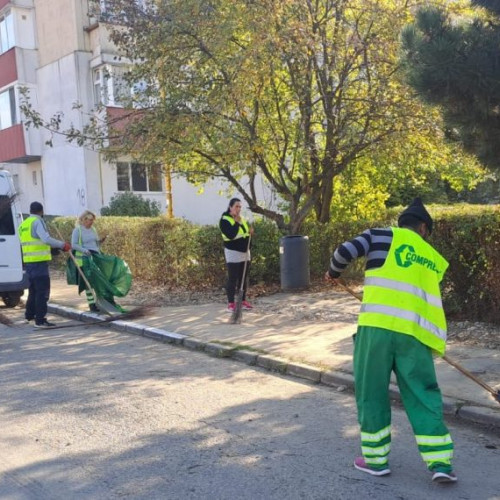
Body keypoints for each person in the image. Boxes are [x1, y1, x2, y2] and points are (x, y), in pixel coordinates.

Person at [325, 198, 457, 484]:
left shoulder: (380, 236)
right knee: (423, 395)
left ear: (403, 223)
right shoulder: (433, 257)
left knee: (371, 392)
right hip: (414, 335)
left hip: (377, 330)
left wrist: (333, 272)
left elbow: (343, 252)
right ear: (423, 228)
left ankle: (375, 460)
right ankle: (441, 463)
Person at [18, 201, 71, 328]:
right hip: (39, 264)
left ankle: (29, 316)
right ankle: (40, 320)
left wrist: (51, 250)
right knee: (42, 292)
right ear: (41, 211)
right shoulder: (38, 221)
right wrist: (62, 245)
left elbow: (32, 243)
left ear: (30, 210)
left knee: (33, 291)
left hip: (29, 263)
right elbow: (45, 239)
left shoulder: (24, 224)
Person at [219, 198, 254, 312]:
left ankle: (242, 301)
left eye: (240, 207)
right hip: (233, 252)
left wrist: (250, 232)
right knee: (233, 278)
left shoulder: (241, 219)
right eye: (236, 206)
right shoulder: (224, 220)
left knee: (243, 278)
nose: (238, 209)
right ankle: (231, 303)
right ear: (230, 207)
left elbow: (244, 233)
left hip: (244, 252)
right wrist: (237, 223)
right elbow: (231, 234)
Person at [71, 210, 107, 312]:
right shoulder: (78, 230)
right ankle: (92, 304)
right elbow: (74, 245)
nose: (91, 222)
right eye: (90, 220)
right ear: (84, 220)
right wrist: (84, 250)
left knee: (96, 281)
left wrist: (100, 242)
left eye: (92, 220)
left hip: (95, 257)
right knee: (89, 283)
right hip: (84, 260)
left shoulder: (93, 229)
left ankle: (98, 302)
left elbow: (95, 243)